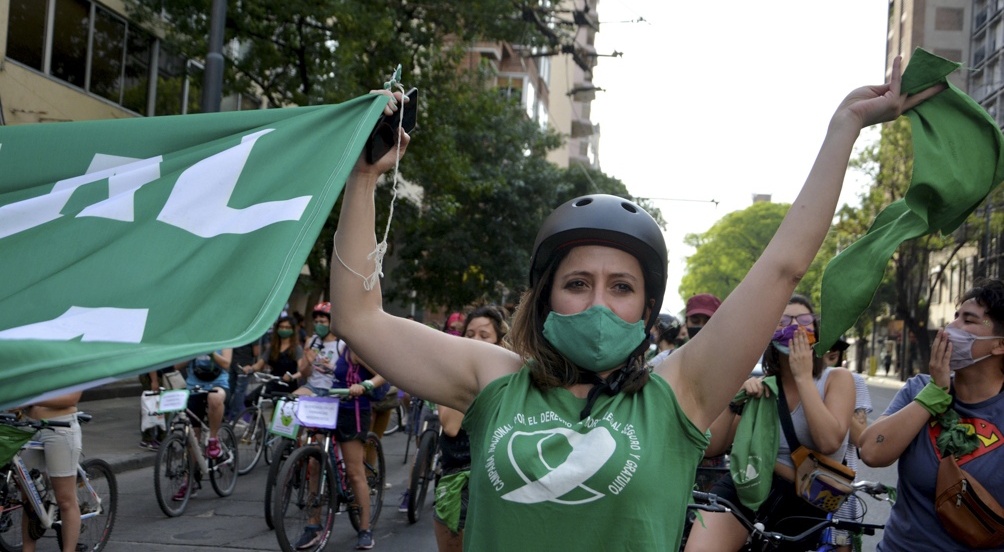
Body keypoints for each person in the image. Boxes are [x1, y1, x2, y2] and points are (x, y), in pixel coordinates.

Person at [329, 61, 942, 549]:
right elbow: (361, 319)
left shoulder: (680, 393)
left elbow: (783, 264)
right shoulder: (493, 379)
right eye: (577, 284)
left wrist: (843, 129)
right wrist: (362, 181)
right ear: (545, 299)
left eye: (621, 287)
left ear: (649, 312)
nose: (599, 302)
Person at [685, 296, 855, 552]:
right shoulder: (763, 388)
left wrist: (802, 378)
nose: (794, 327)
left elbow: (829, 441)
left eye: (804, 321)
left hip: (802, 503)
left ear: (816, 333)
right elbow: (713, 447)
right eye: (784, 322)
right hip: (748, 485)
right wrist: (734, 402)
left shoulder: (836, 379)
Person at [859, 279, 1004, 551]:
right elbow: (871, 451)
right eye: (955, 317)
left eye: (968, 321)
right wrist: (935, 394)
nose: (951, 328)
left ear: (999, 345)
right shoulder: (919, 388)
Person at [293, 339, 386, 550]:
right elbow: (340, 373)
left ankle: (365, 529)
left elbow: (384, 373)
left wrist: (365, 385)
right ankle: (312, 526)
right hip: (331, 406)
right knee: (315, 463)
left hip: (353, 411)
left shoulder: (360, 348)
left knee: (354, 472)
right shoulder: (344, 348)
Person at [433, 306, 510, 552]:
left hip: (478, 483)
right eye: (470, 334)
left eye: (484, 335)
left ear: (499, 341)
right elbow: (450, 425)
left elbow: (452, 426)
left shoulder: (504, 377)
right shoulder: (457, 373)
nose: (475, 341)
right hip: (456, 478)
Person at [823, 337, 872, 552]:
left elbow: (859, 436)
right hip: (800, 482)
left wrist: (836, 391)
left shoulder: (854, 382)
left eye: (834, 354)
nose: (829, 357)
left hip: (840, 484)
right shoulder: (797, 382)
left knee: (841, 542)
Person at [18, 392, 83, 552]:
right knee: (30, 497)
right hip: (29, 425)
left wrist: (29, 399)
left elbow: (71, 398)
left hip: (60, 427)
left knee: (65, 499)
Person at [172, 348, 232, 500]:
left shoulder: (224, 339)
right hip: (194, 387)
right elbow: (175, 366)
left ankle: (213, 439)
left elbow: (226, 364)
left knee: (215, 398)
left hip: (218, 384)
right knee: (192, 438)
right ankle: (189, 481)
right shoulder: (194, 339)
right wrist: (192, 352)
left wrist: (210, 352)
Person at [244, 315, 303, 403]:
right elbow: (260, 364)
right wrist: (250, 368)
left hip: (288, 385)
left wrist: (291, 377)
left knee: (279, 408)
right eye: (281, 327)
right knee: (250, 400)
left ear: (293, 330)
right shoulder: (273, 347)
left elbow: (301, 371)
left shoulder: (296, 348)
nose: (284, 330)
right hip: (273, 381)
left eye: (287, 327)